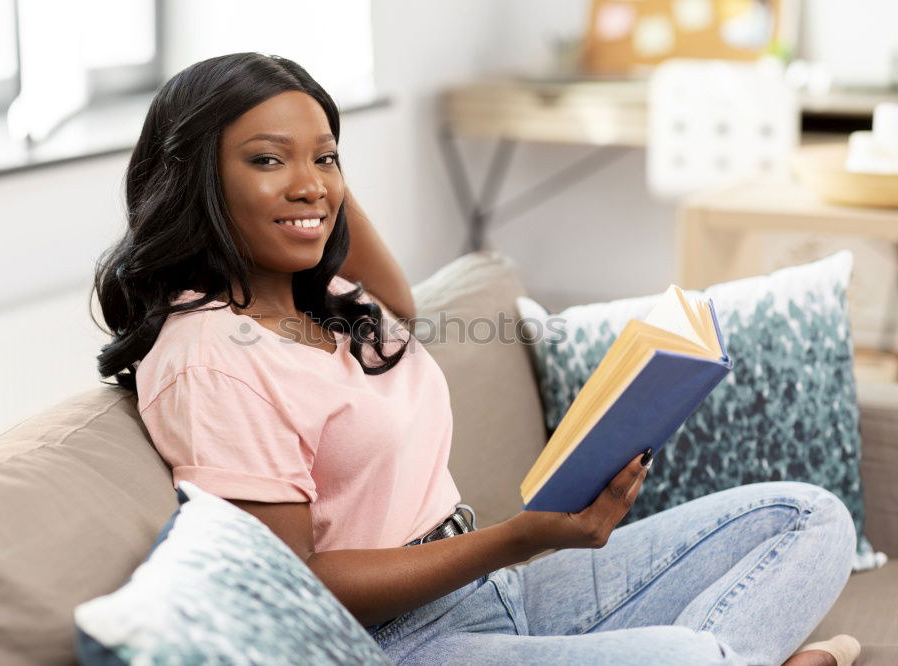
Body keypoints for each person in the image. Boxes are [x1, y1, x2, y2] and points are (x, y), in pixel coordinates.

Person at [92, 52, 860, 666]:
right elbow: (302, 585)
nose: (313, 185)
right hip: (406, 639)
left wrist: (308, 173)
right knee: (687, 658)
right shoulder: (211, 359)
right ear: (194, 177)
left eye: (327, 159)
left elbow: (400, 301)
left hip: (496, 585)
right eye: (266, 160)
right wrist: (520, 536)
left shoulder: (322, 298)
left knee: (807, 517)